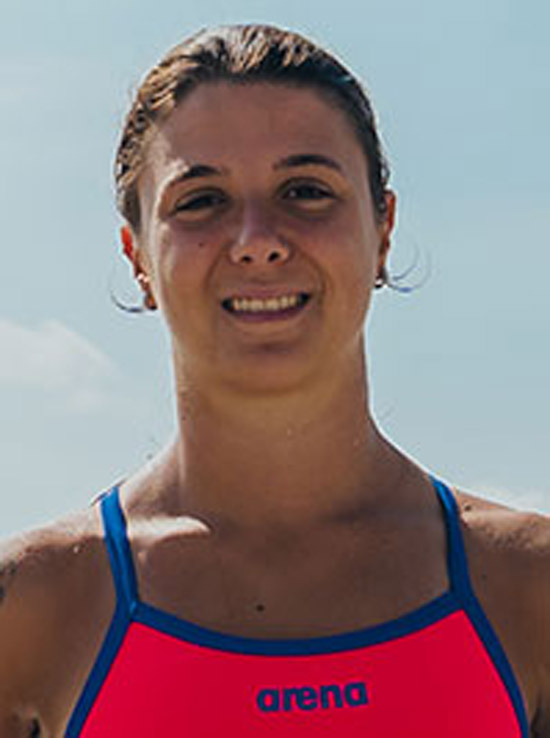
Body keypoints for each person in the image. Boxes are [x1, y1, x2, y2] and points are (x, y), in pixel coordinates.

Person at [0, 23, 548, 737]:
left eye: (305, 190)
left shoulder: (528, 589)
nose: (257, 240)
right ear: (138, 256)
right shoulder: (34, 607)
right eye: (201, 200)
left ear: (382, 229)